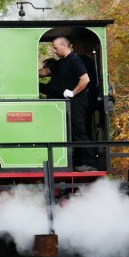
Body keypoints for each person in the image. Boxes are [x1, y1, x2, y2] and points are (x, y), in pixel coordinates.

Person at [46, 36, 97, 171]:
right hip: (67, 104)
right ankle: (79, 162)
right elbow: (46, 72)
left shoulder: (75, 60)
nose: (54, 50)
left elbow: (85, 79)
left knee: (79, 131)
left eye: (56, 48)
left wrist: (73, 92)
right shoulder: (61, 62)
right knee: (72, 133)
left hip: (76, 102)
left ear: (64, 46)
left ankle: (90, 163)